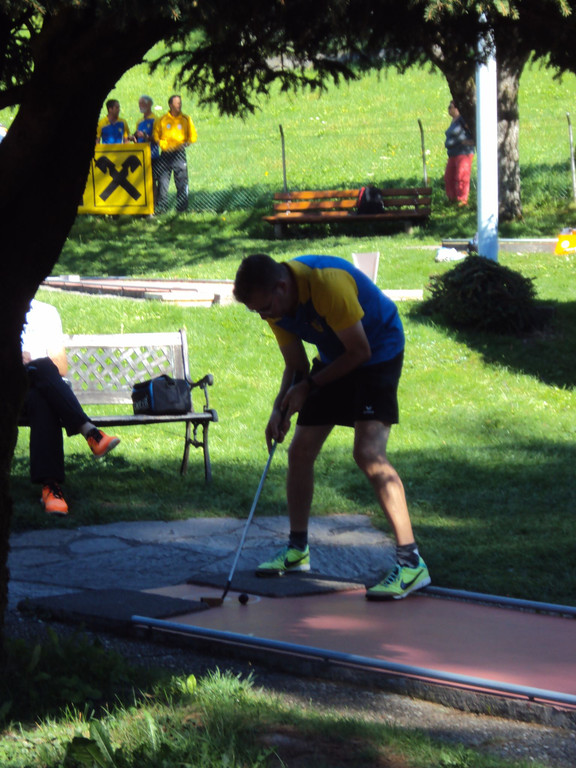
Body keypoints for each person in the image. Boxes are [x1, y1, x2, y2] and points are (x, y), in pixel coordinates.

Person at [233, 254, 431, 601]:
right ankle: (298, 551)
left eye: (264, 307)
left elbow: (360, 351)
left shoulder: (327, 284)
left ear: (281, 287)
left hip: (377, 352)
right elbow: (295, 365)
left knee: (368, 454)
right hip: (334, 357)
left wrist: (308, 387)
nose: (263, 316)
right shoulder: (274, 306)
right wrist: (279, 409)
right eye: (256, 311)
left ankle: (411, 563)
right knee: (299, 452)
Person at [21, 299, 121, 516]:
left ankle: (51, 490)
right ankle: (89, 432)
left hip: (39, 390)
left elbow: (61, 367)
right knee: (41, 369)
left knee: (43, 396)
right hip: (10, 391)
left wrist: (33, 364)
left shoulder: (45, 312)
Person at [153, 94, 197, 212]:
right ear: (170, 105)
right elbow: (156, 135)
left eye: (180, 103)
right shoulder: (162, 120)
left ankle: (182, 209)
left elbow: (193, 136)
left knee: (182, 181)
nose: (179, 105)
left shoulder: (186, 119)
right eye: (177, 103)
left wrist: (185, 143)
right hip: (165, 155)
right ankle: (162, 208)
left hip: (179, 154)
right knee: (163, 181)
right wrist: (162, 144)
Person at [444, 100, 475, 205]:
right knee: (449, 177)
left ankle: (462, 201)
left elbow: (474, 129)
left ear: (457, 108)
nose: (449, 109)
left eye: (451, 107)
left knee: (461, 176)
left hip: (463, 152)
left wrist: (471, 141)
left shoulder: (463, 119)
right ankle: (452, 201)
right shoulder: (454, 121)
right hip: (452, 153)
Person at [132, 94, 160, 204]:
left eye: (142, 103)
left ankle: (153, 205)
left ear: (149, 105)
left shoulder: (155, 119)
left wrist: (145, 136)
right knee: (141, 182)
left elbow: (157, 139)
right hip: (140, 156)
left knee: (152, 181)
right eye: (139, 103)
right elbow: (138, 139)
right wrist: (134, 138)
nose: (140, 105)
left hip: (152, 155)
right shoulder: (139, 121)